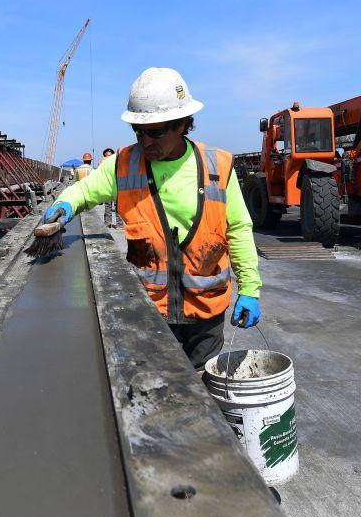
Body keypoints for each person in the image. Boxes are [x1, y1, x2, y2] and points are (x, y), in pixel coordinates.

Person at [43, 67, 262, 369]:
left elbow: (238, 229)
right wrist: (64, 205)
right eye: (138, 131)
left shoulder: (217, 166)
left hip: (206, 312)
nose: (145, 141)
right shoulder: (123, 164)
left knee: (202, 386)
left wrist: (249, 289)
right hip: (148, 310)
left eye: (155, 131)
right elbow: (84, 190)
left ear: (182, 124)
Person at [99, 148, 118, 228]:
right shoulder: (102, 162)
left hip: (116, 186)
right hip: (107, 187)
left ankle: (118, 224)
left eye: (110, 156)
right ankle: (107, 223)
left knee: (117, 206)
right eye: (107, 156)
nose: (108, 157)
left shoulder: (117, 162)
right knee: (108, 206)